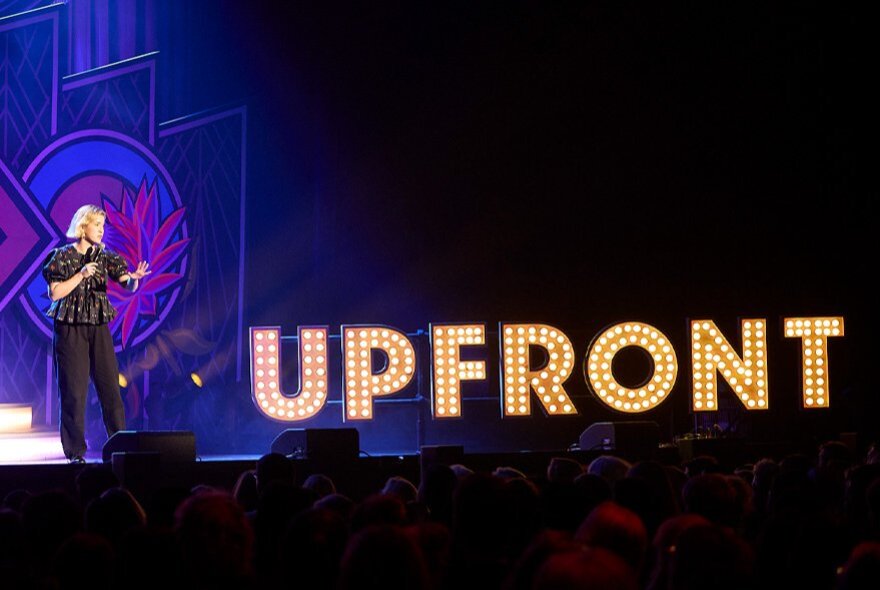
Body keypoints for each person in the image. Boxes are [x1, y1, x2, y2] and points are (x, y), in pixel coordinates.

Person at [42, 204, 150, 464]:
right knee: (74, 392)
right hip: (70, 328)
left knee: (110, 388)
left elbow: (127, 283)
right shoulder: (62, 256)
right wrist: (80, 274)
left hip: (98, 326)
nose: (101, 231)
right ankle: (75, 452)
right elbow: (55, 293)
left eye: (103, 226)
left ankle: (119, 447)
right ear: (82, 226)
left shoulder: (106, 257)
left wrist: (135, 279)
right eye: (97, 225)